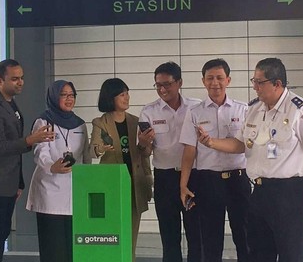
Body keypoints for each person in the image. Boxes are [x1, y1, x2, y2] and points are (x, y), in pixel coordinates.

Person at [197, 57, 303, 262]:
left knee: (292, 253)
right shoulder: (254, 109)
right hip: (259, 191)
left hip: (290, 193)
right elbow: (240, 144)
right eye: (254, 81)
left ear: (277, 84)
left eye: (259, 82)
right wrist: (211, 142)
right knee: (258, 252)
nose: (255, 87)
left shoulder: (300, 110)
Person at [0, 59, 56, 262]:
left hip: (9, 180)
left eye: (21, 78)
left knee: (2, 231)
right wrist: (31, 139)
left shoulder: (10, 103)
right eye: (14, 79)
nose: (20, 82)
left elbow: (14, 148)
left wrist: (18, 181)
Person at [179, 58, 250, 262]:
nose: (215, 82)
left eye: (219, 77)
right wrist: (183, 186)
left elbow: (248, 145)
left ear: (228, 79)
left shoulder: (242, 110)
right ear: (203, 81)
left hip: (238, 179)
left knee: (244, 235)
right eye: (210, 78)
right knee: (210, 240)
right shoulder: (195, 112)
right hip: (208, 181)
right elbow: (189, 151)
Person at [138, 62, 202, 262]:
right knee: (169, 235)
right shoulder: (149, 111)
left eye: (167, 84)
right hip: (165, 179)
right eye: (158, 85)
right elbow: (145, 151)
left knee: (196, 233)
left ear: (179, 82)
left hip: (193, 178)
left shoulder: (196, 107)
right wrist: (142, 143)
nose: (162, 89)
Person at [26, 80, 91, 262]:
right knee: (53, 250)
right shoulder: (44, 121)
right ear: (54, 97)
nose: (69, 99)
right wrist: (51, 166)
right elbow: (40, 152)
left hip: (74, 193)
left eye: (72, 95)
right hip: (50, 192)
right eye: (64, 95)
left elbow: (86, 157)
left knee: (73, 250)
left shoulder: (80, 124)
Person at [91, 78, 153, 262]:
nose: (126, 97)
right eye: (121, 94)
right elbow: (93, 149)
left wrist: (143, 144)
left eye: (127, 93)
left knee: (131, 235)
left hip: (134, 184)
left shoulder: (136, 122)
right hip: (112, 185)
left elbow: (146, 153)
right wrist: (102, 148)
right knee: (111, 233)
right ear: (110, 98)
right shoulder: (100, 122)